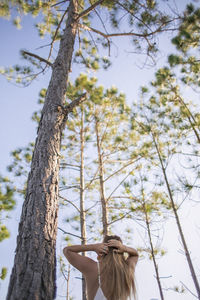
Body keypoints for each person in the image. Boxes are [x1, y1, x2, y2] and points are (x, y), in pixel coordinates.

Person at [63, 234, 138, 300]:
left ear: (102, 250)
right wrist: (125, 248)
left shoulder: (93, 268)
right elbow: (135, 255)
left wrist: (93, 247)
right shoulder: (127, 270)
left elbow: (67, 250)